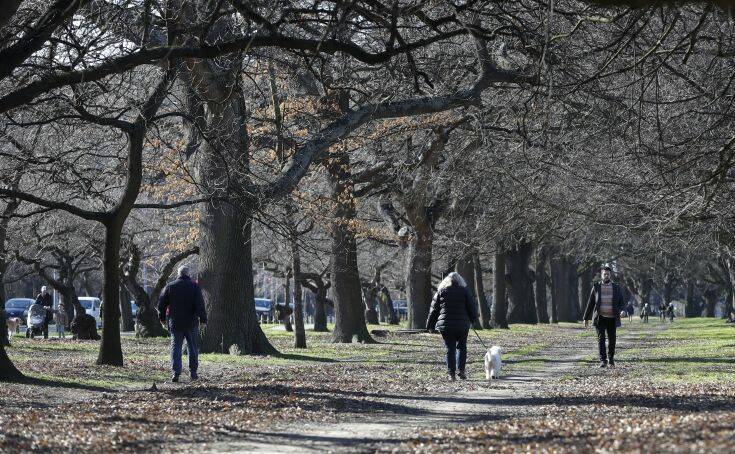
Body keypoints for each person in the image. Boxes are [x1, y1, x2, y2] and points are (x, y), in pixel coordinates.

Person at [426, 272, 479, 381]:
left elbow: (434, 310)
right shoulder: (465, 291)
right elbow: (472, 307)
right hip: (462, 325)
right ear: (460, 281)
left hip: (446, 326)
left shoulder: (441, 292)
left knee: (450, 348)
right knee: (462, 347)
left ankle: (451, 374)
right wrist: (473, 320)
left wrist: (430, 325)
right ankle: (461, 371)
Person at [158, 265, 207, 382]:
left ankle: (176, 373)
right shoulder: (195, 287)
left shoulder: (170, 286)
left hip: (175, 322)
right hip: (191, 322)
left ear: (178, 274)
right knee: (193, 347)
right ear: (188, 274)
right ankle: (193, 372)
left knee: (176, 347)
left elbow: (161, 304)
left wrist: (162, 319)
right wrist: (203, 320)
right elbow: (200, 305)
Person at [583, 266, 625, 368]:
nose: (606, 276)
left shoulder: (616, 287)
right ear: (601, 275)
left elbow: (621, 302)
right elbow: (591, 303)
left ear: (610, 275)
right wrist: (586, 318)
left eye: (608, 274)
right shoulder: (596, 287)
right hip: (600, 317)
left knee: (612, 339)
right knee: (601, 339)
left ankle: (611, 360)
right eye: (604, 274)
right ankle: (603, 360)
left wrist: (623, 310)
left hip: (612, 318)